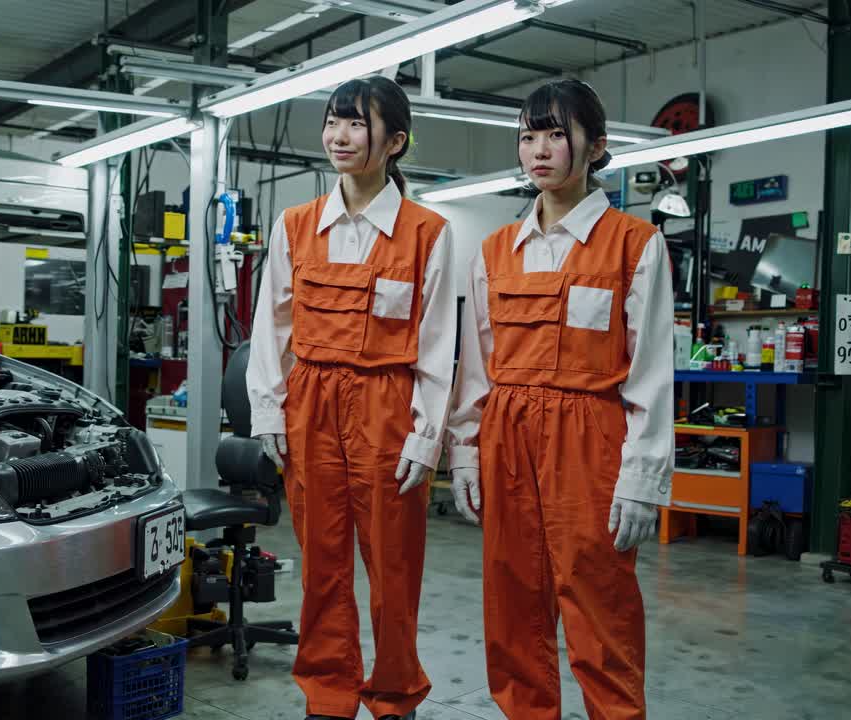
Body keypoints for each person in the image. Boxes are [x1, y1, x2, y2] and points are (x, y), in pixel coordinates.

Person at [445, 79, 675, 720]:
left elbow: (651, 375)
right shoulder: (494, 253)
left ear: (595, 146)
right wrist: (464, 453)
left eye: (555, 134)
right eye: (528, 136)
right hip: (507, 436)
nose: (539, 150)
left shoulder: (634, 245)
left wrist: (641, 480)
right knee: (513, 607)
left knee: (600, 608)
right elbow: (476, 370)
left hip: (591, 440)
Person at [247, 75, 457, 720]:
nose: (340, 136)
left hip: (388, 407)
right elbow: (272, 327)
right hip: (311, 403)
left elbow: (437, 344)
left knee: (394, 571)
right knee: (323, 568)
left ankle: (395, 697)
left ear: (395, 141)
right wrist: (268, 409)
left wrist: (427, 436)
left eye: (358, 124)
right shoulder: (296, 225)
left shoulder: (428, 232)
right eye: (334, 121)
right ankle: (328, 696)